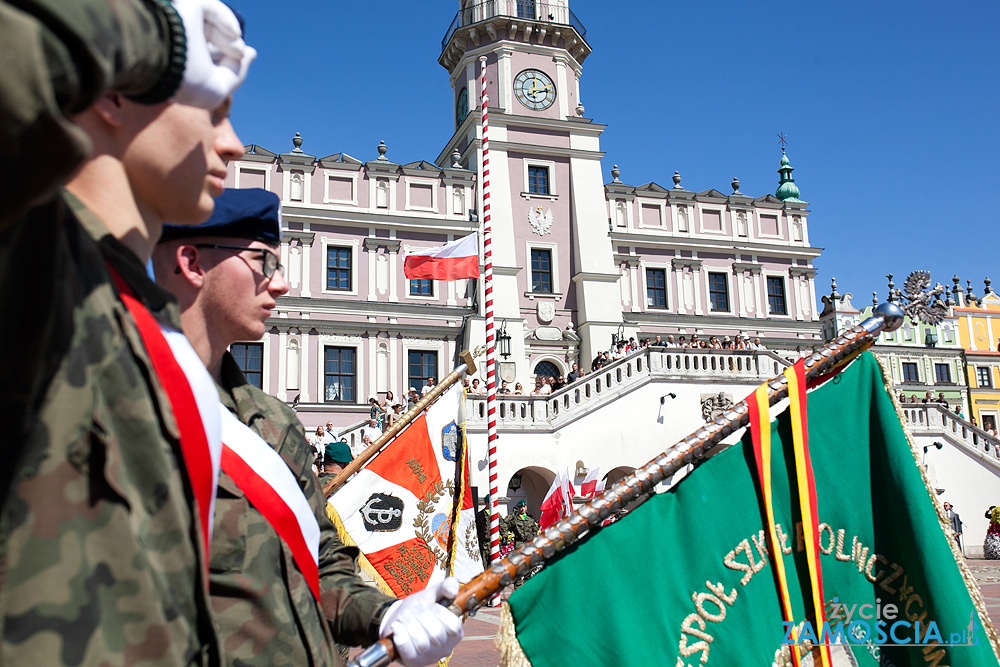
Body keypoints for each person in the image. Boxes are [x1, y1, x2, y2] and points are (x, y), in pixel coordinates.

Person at [0, 2, 255, 663]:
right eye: (215, 108)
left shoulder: (146, 323)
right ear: (118, 91)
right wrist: (160, 34)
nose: (233, 143)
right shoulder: (39, 258)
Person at [154, 188, 462, 666]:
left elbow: (321, 566)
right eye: (263, 262)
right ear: (192, 261)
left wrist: (387, 614)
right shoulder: (127, 406)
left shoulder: (274, 423)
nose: (279, 284)